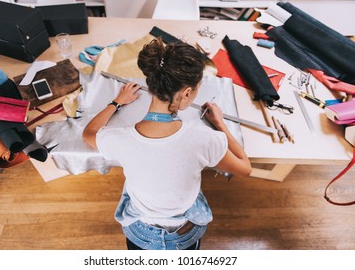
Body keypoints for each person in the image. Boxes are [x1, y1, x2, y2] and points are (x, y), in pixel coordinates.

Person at [82, 38, 251, 250]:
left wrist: (116, 102)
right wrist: (221, 125)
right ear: (187, 93)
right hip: (184, 234)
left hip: (140, 233)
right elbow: (245, 168)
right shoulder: (205, 139)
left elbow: (89, 134)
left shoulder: (121, 138)